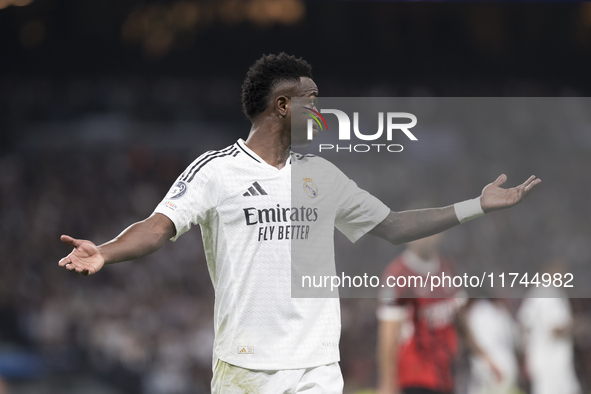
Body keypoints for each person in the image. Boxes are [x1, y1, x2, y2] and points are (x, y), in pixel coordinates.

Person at [58, 53, 541, 393]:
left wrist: (476, 205)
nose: (320, 109)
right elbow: (158, 227)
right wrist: (105, 250)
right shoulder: (217, 169)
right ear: (282, 106)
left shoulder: (321, 173)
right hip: (248, 367)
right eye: (311, 99)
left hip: (317, 367)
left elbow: (393, 225)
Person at [376, 233, 501, 394]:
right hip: (415, 375)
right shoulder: (398, 274)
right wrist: (387, 384)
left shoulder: (447, 267)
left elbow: (460, 319)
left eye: (429, 231)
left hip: (446, 373)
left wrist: (484, 355)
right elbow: (388, 334)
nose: (424, 238)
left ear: (440, 234)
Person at [518, 261, 581, 394]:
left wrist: (526, 353)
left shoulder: (534, 294)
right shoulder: (551, 295)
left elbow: (523, 324)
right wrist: (577, 325)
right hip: (553, 360)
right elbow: (555, 329)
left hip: (539, 359)